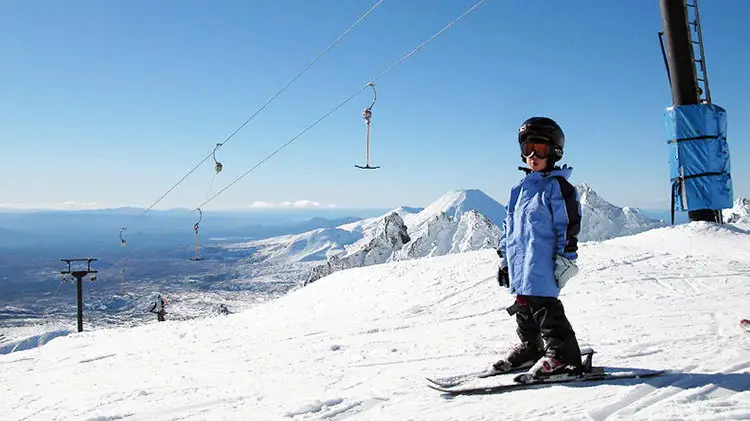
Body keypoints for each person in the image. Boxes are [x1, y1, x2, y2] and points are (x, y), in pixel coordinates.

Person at [494, 116, 583, 380]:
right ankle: (531, 348)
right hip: (520, 263)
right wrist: (504, 258)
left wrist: (566, 258)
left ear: (554, 152)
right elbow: (508, 226)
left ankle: (564, 356)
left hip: (543, 261)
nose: (532, 155)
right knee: (523, 306)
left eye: (540, 150)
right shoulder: (518, 189)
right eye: (527, 149)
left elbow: (568, 224)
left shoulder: (558, 187)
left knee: (546, 308)